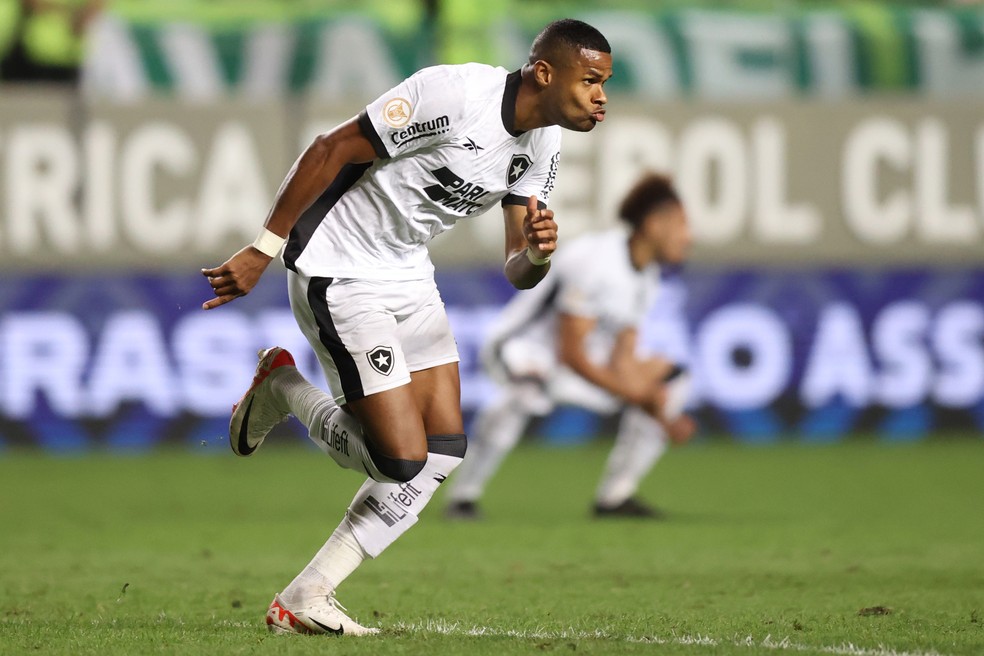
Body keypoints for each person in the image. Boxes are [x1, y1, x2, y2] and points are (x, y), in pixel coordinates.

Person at [200, 19, 612, 636]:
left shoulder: (543, 145)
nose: (601, 96)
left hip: (407, 273)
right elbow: (329, 149)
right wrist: (263, 247)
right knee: (397, 460)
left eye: (605, 84)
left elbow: (515, 269)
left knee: (441, 452)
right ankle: (282, 389)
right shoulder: (453, 97)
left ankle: (305, 597)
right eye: (591, 81)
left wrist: (539, 255)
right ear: (545, 73)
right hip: (336, 266)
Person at [445, 172, 696, 521]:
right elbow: (571, 353)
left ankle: (615, 497)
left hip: (578, 363)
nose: (689, 237)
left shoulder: (647, 276)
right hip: (524, 348)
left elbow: (622, 358)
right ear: (654, 224)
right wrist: (639, 397)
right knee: (522, 390)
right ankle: (463, 499)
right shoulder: (597, 260)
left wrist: (660, 410)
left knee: (671, 378)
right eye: (682, 225)